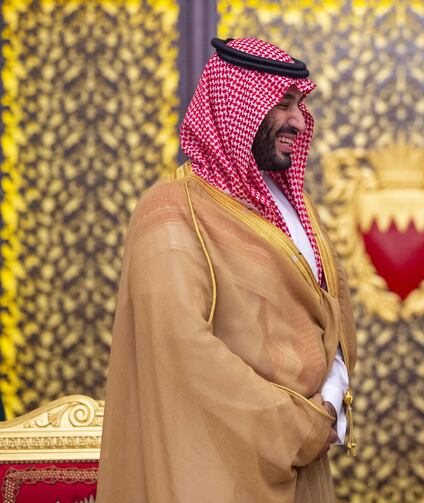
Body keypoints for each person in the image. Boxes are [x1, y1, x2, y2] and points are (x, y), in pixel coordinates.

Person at [97, 37, 357, 502]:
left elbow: (328, 311)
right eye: (284, 103)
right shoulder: (172, 212)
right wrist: (298, 423)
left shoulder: (296, 207)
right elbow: (181, 350)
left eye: (301, 104)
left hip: (307, 454)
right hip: (214, 469)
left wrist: (332, 398)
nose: (299, 121)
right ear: (235, 105)